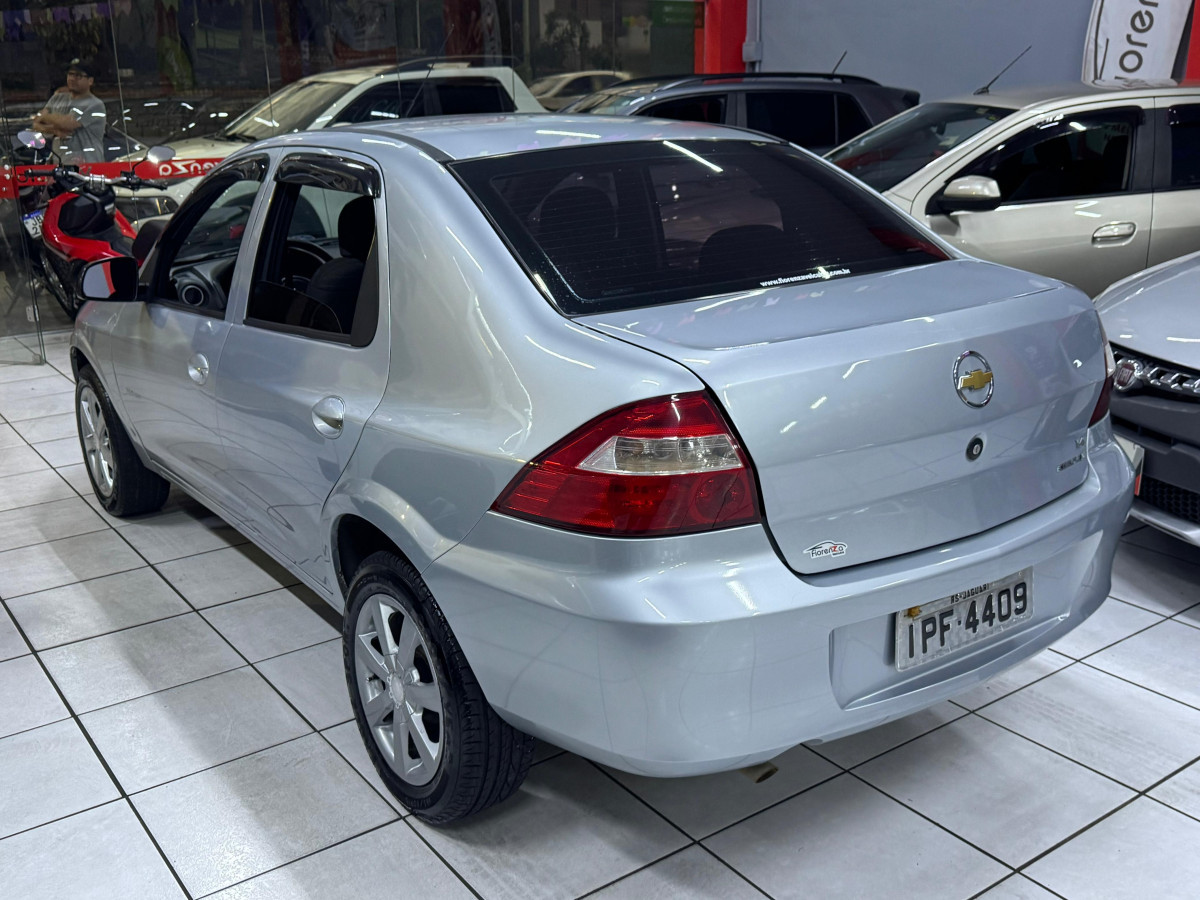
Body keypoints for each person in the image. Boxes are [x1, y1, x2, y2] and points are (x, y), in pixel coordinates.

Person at [31, 58, 107, 164]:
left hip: (88, 166)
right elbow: (36, 124)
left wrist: (45, 116)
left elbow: (68, 123)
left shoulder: (95, 104)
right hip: (60, 164)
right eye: (70, 74)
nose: (72, 79)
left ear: (90, 81)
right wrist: (55, 131)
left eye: (78, 76)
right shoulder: (57, 98)